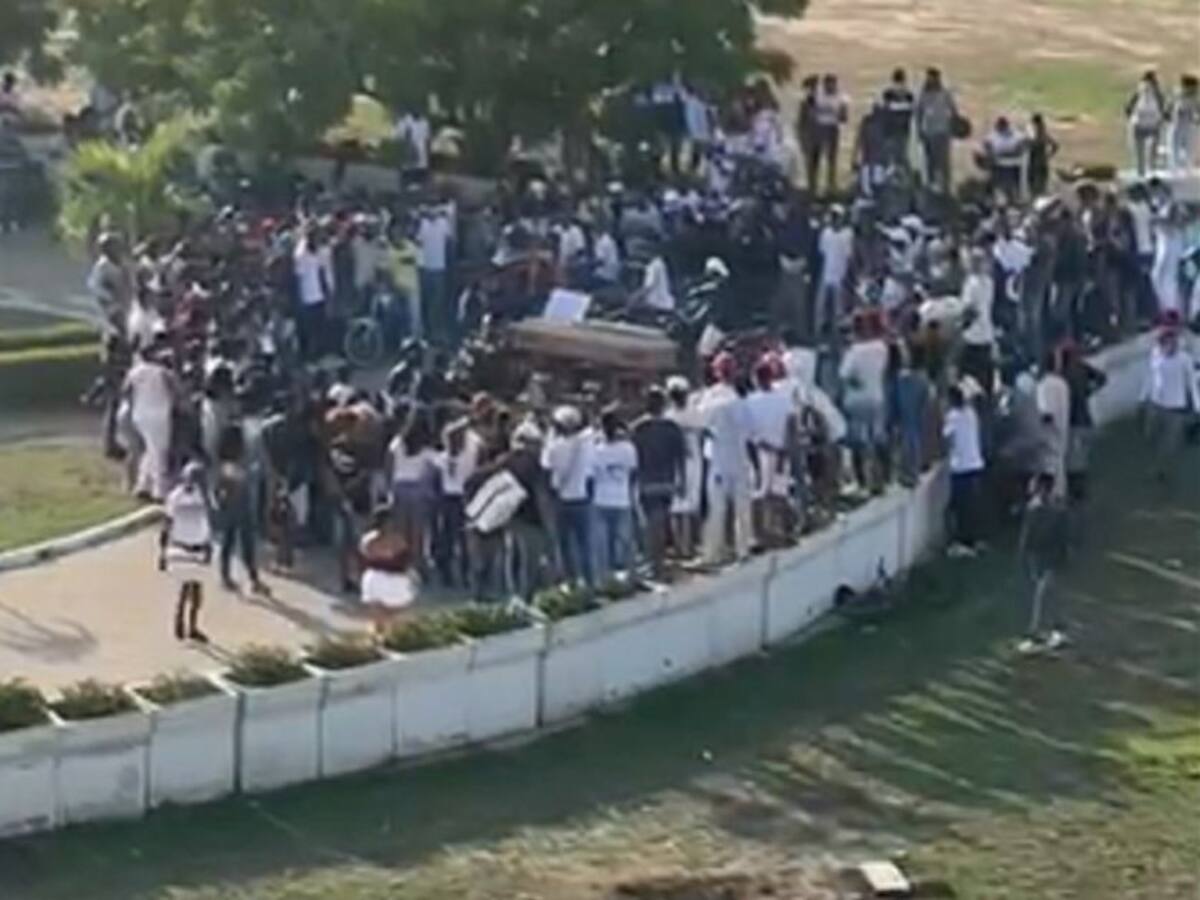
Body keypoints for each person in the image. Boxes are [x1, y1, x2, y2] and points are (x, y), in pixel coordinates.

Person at [700, 352, 755, 566]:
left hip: (718, 458)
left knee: (717, 508)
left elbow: (701, 424)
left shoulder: (710, 398)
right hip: (738, 457)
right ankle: (743, 549)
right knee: (742, 506)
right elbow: (750, 432)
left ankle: (713, 553)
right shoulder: (740, 401)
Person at [633, 387, 687, 580]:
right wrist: (683, 483)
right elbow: (681, 458)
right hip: (667, 482)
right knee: (661, 522)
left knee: (650, 524)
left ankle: (654, 563)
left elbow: (634, 459)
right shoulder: (672, 428)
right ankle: (659, 562)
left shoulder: (638, 428)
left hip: (646, 482)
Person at [1016, 472, 1070, 654]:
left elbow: (1028, 537)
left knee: (1041, 597)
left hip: (1046, 559)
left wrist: (1024, 553)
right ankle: (1058, 630)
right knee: (1051, 595)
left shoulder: (1040, 510)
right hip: (1045, 558)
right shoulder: (1052, 509)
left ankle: (1034, 635)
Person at [1141, 318, 1199, 484]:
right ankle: (1157, 465)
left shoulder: (1184, 359)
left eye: (1171, 342)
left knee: (1170, 443)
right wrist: (1143, 397)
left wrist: (1197, 406)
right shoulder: (1156, 356)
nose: (1168, 346)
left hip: (1176, 408)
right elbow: (1150, 377)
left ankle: (1163, 470)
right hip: (1156, 405)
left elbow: (1191, 384)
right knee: (1151, 436)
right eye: (1165, 343)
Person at [542, 405, 594, 589]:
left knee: (565, 546)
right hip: (581, 497)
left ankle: (571, 582)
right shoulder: (586, 443)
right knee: (584, 545)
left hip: (561, 499)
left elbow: (546, 469)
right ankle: (589, 582)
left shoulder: (555, 447)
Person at [160, 461, 212, 644]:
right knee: (185, 590)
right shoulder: (175, 497)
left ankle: (191, 627)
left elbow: (207, 524)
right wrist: (162, 552)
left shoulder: (204, 496)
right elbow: (166, 524)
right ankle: (180, 625)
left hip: (198, 548)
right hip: (181, 547)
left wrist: (208, 548)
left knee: (196, 593)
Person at [840, 311, 891, 493]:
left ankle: (863, 482)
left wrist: (856, 381)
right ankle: (884, 477)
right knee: (878, 437)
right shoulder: (881, 348)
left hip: (856, 400)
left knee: (858, 442)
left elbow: (845, 375)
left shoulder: (854, 351)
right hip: (876, 396)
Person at [213, 425, 267, 595]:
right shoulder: (234, 468)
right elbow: (242, 483)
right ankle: (253, 579)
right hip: (241, 512)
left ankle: (226, 575)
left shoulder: (222, 466)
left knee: (228, 545)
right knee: (247, 547)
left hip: (228, 512)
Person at [746, 359, 796, 545]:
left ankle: (759, 536)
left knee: (758, 496)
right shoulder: (784, 400)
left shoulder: (750, 402)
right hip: (780, 451)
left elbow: (747, 434)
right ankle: (783, 531)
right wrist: (787, 452)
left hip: (759, 452)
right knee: (779, 494)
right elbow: (791, 428)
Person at [590, 409, 639, 583]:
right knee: (625, 541)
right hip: (621, 499)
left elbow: (591, 476)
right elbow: (633, 474)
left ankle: (604, 578)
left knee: (603, 544)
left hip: (601, 500)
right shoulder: (628, 449)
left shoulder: (596, 450)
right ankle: (631, 576)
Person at [123, 343, 176, 501]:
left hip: (139, 414)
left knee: (150, 449)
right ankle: (160, 490)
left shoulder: (134, 372)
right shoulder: (162, 372)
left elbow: (126, 391)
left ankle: (143, 485)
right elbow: (175, 391)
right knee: (160, 452)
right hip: (159, 415)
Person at [388, 416, 439, 576]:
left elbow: (389, 465)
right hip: (418, 490)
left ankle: (399, 563)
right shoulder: (427, 450)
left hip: (399, 487)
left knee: (400, 531)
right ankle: (417, 567)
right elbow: (433, 471)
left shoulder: (397, 443)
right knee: (418, 533)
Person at [432, 419, 480, 589]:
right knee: (457, 538)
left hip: (455, 498)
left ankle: (454, 572)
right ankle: (458, 572)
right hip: (456, 498)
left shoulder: (441, 459)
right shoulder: (460, 458)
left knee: (455, 537)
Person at [359, 506, 419, 632]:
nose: (390, 525)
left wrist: (410, 573)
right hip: (377, 580)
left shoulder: (399, 540)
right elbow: (369, 558)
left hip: (397, 582)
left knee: (396, 619)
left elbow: (405, 560)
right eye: (387, 522)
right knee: (378, 618)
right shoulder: (369, 541)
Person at [943, 385, 985, 556]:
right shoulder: (971, 414)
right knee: (972, 506)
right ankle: (974, 540)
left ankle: (962, 542)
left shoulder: (952, 417)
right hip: (975, 464)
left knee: (960, 508)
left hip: (960, 466)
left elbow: (948, 439)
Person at [666, 376, 704, 559]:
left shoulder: (693, 412)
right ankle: (680, 547)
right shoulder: (668, 416)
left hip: (692, 461)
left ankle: (688, 546)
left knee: (689, 506)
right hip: (675, 462)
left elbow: (701, 432)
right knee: (676, 507)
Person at [960, 247, 997, 398]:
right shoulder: (989, 282)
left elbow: (970, 310)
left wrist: (961, 326)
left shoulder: (971, 283)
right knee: (986, 371)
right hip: (987, 332)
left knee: (968, 372)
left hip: (972, 335)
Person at [916, 68, 959, 193]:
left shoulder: (945, 93)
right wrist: (919, 131)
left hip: (943, 132)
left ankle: (946, 188)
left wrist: (955, 126)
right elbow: (919, 113)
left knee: (943, 162)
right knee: (930, 162)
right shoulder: (923, 94)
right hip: (929, 132)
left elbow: (953, 110)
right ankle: (931, 187)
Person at [293, 225, 333, 358]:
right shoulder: (301, 254)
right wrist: (299, 300)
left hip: (319, 296)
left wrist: (327, 293)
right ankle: (308, 356)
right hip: (307, 298)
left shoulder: (318, 251)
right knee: (308, 330)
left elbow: (321, 273)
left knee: (320, 328)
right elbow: (298, 278)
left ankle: (319, 354)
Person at [416, 205, 453, 343]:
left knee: (437, 303)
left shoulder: (444, 223)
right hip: (424, 269)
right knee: (425, 303)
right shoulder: (422, 224)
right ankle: (427, 332)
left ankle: (436, 333)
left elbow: (449, 242)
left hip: (439, 269)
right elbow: (417, 242)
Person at [816, 205, 853, 339]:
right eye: (833, 216)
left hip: (840, 276)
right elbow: (822, 253)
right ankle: (819, 333)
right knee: (820, 307)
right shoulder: (826, 233)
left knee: (839, 309)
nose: (835, 219)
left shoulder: (848, 234)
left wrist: (847, 276)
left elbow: (849, 257)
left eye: (837, 216)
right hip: (826, 275)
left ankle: (838, 335)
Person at [812, 74, 849, 194]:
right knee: (816, 158)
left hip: (832, 128)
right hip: (818, 128)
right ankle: (814, 185)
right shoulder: (817, 95)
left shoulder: (841, 97)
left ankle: (831, 186)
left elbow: (844, 118)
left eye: (832, 84)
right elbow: (811, 112)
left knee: (831, 159)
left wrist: (840, 113)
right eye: (828, 84)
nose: (830, 87)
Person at [1127, 70, 1167, 176]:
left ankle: (1141, 173)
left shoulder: (1139, 90)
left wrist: (1131, 117)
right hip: (1153, 124)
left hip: (1138, 123)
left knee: (1139, 154)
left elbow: (1129, 108)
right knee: (1153, 152)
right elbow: (1162, 108)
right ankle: (1152, 172)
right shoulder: (1157, 92)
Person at [980, 116, 1026, 203]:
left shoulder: (1014, 134)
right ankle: (994, 200)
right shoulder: (993, 135)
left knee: (1008, 189)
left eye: (1001, 125)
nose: (999, 127)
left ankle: (1010, 201)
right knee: (998, 188)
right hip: (999, 165)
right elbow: (986, 144)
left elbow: (1023, 142)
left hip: (1010, 166)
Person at [879, 68, 915, 168]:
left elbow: (884, 111)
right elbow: (911, 112)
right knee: (902, 155)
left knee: (891, 156)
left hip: (890, 130)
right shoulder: (908, 94)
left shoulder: (888, 93)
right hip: (903, 130)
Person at [1168, 74, 1199, 172]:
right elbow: (1170, 109)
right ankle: (1176, 169)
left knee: (1189, 151)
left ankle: (1186, 169)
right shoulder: (1178, 95)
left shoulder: (1194, 97)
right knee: (1175, 150)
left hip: (1188, 126)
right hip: (1178, 126)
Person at [1026, 113, 1059, 198]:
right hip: (1041, 161)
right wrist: (1048, 156)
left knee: (1035, 184)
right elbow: (1055, 146)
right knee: (1040, 183)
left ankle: (1037, 198)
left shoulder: (1035, 134)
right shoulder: (1041, 133)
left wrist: (1049, 155)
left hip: (1035, 162)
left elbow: (1055, 145)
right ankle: (1039, 196)